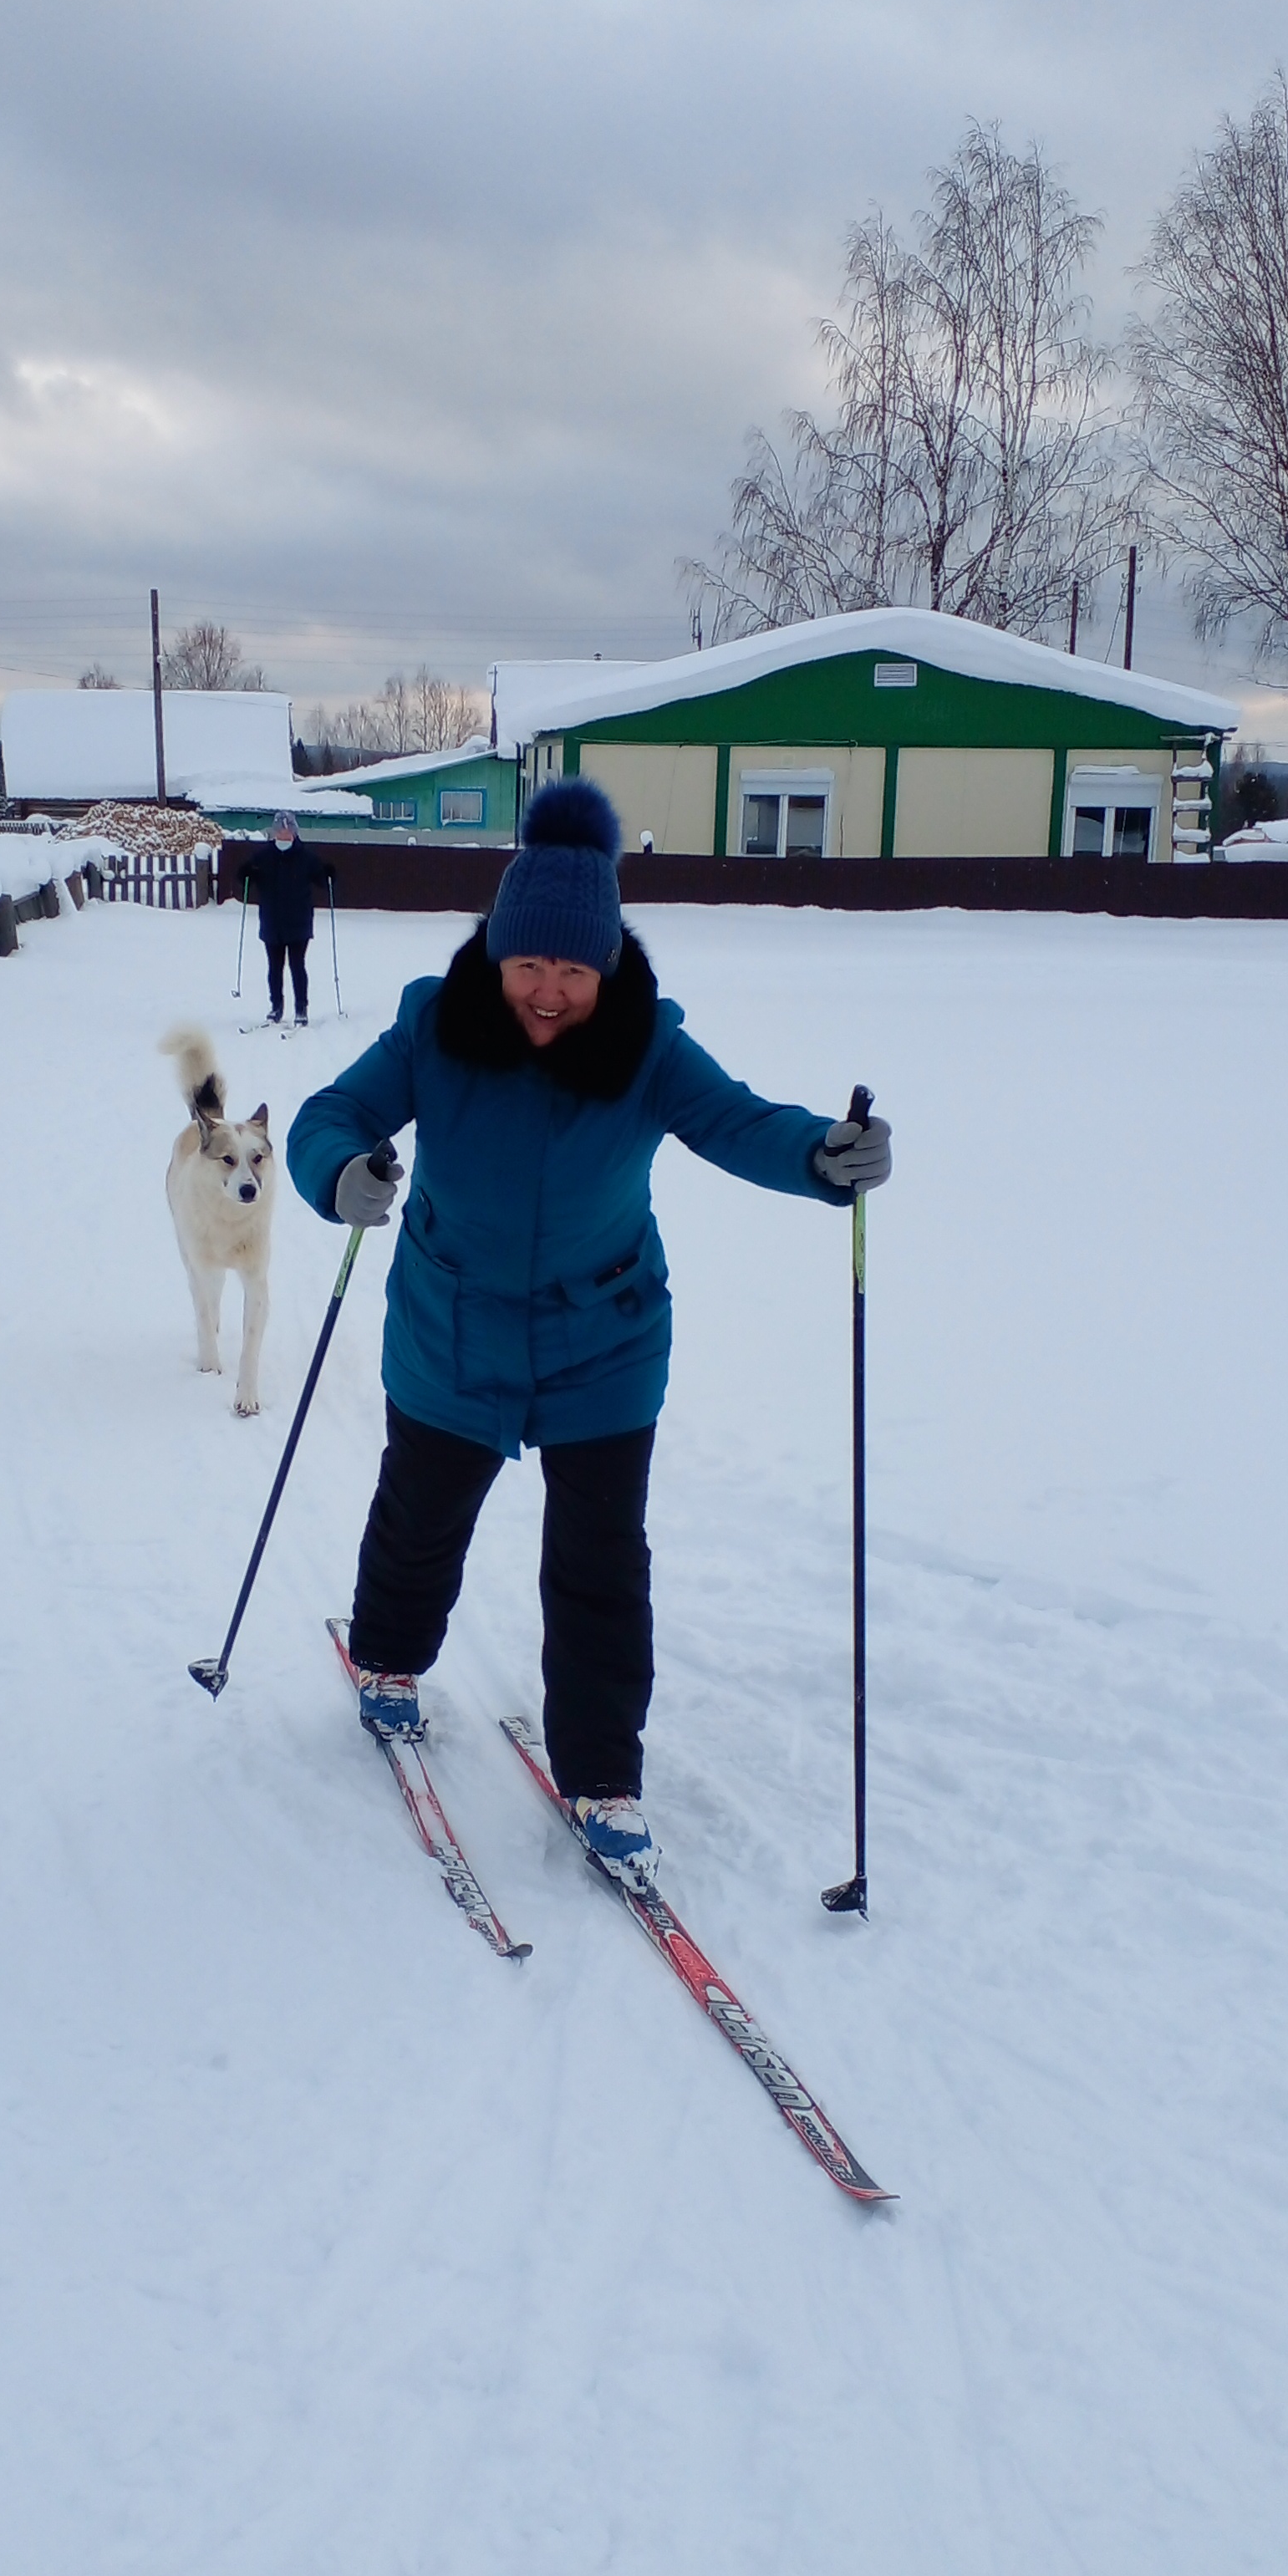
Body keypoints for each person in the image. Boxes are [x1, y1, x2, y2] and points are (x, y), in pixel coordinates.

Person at [286, 776, 889, 1884]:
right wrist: (341, 1175)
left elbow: (739, 1123)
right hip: (450, 1329)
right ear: (497, 954)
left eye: (573, 969)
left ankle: (603, 1771)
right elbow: (331, 1117)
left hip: (603, 1341)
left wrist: (820, 1156)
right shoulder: (436, 1023)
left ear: (606, 966)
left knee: (601, 1564)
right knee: (423, 1517)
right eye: (530, 965)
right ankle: (387, 1659)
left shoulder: (648, 1047)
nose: (550, 992)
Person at [238, 811, 334, 1025]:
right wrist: (246, 873)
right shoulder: (263, 857)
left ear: (294, 832)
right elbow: (246, 877)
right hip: (272, 920)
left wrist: (328, 874)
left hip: (298, 921)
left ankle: (301, 1009)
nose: (283, 836)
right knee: (274, 967)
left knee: (297, 965)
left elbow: (321, 880)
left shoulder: (307, 857)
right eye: (279, 832)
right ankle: (276, 1007)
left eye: (287, 832)